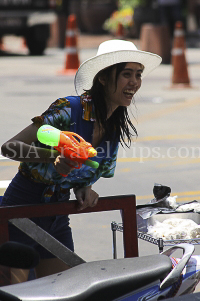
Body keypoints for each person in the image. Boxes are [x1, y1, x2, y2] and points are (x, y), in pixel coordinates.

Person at [1, 39, 162, 284]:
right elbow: (9, 147)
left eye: (138, 75)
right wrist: (53, 155)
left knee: (66, 289)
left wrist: (84, 188)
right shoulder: (69, 109)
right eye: (127, 74)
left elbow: (84, 172)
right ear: (103, 78)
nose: (135, 82)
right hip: (21, 211)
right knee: (17, 293)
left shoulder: (113, 126)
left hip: (58, 216)